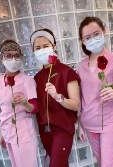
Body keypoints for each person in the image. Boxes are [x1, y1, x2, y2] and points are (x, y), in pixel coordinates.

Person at [78, 17, 113, 167]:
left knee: (109, 165)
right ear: (83, 41)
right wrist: (80, 124)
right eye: (87, 37)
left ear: (104, 32)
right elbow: (82, 97)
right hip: (89, 123)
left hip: (110, 122)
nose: (93, 39)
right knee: (102, 163)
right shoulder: (81, 66)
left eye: (96, 34)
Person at [30, 28, 80, 167]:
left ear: (54, 46)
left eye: (45, 46)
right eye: (37, 48)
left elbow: (76, 105)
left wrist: (59, 97)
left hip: (62, 130)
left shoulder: (67, 72)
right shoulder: (37, 78)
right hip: (45, 131)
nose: (41, 50)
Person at [0, 39, 38, 167]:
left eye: (17, 56)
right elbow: (2, 108)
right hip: (7, 132)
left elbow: (35, 109)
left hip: (23, 132)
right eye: (9, 56)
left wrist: (24, 102)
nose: (13, 59)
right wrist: (2, 132)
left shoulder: (27, 81)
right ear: (2, 58)